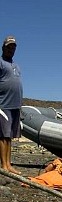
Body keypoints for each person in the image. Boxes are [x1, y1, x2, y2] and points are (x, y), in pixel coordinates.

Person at [0, 36, 23, 175]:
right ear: (3, 47)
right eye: (9, 47)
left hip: (15, 105)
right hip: (3, 104)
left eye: (13, 47)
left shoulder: (16, 65)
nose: (11, 49)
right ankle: (3, 165)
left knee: (9, 136)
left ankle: (9, 164)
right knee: (3, 135)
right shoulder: (1, 63)